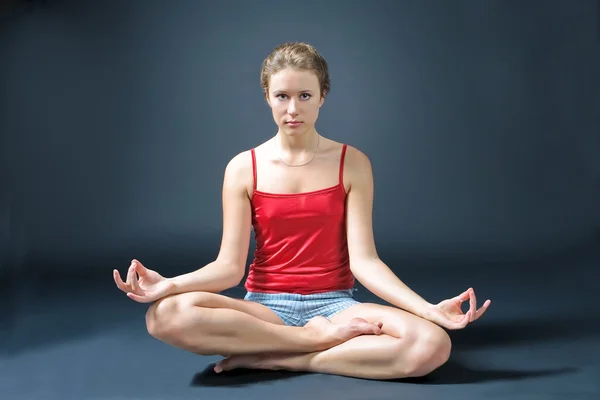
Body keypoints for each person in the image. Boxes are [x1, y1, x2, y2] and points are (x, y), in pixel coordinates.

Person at [113, 41, 491, 380]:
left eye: (305, 96)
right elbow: (228, 268)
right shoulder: (243, 167)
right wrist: (169, 285)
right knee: (164, 315)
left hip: (336, 305)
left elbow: (365, 262)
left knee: (431, 345)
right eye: (282, 96)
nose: (293, 109)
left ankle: (289, 358)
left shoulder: (352, 163)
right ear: (267, 97)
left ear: (323, 96)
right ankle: (307, 340)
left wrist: (427, 310)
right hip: (264, 309)